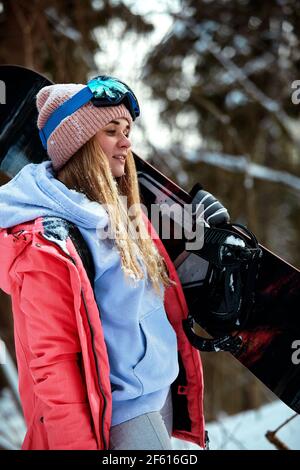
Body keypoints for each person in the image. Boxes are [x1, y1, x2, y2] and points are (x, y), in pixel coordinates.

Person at [0, 76, 205, 450]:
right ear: (78, 143)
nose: (127, 142)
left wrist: (212, 237)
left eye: (127, 129)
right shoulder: (46, 242)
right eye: (111, 130)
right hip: (125, 417)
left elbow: (158, 302)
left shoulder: (124, 214)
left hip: (161, 396)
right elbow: (53, 367)